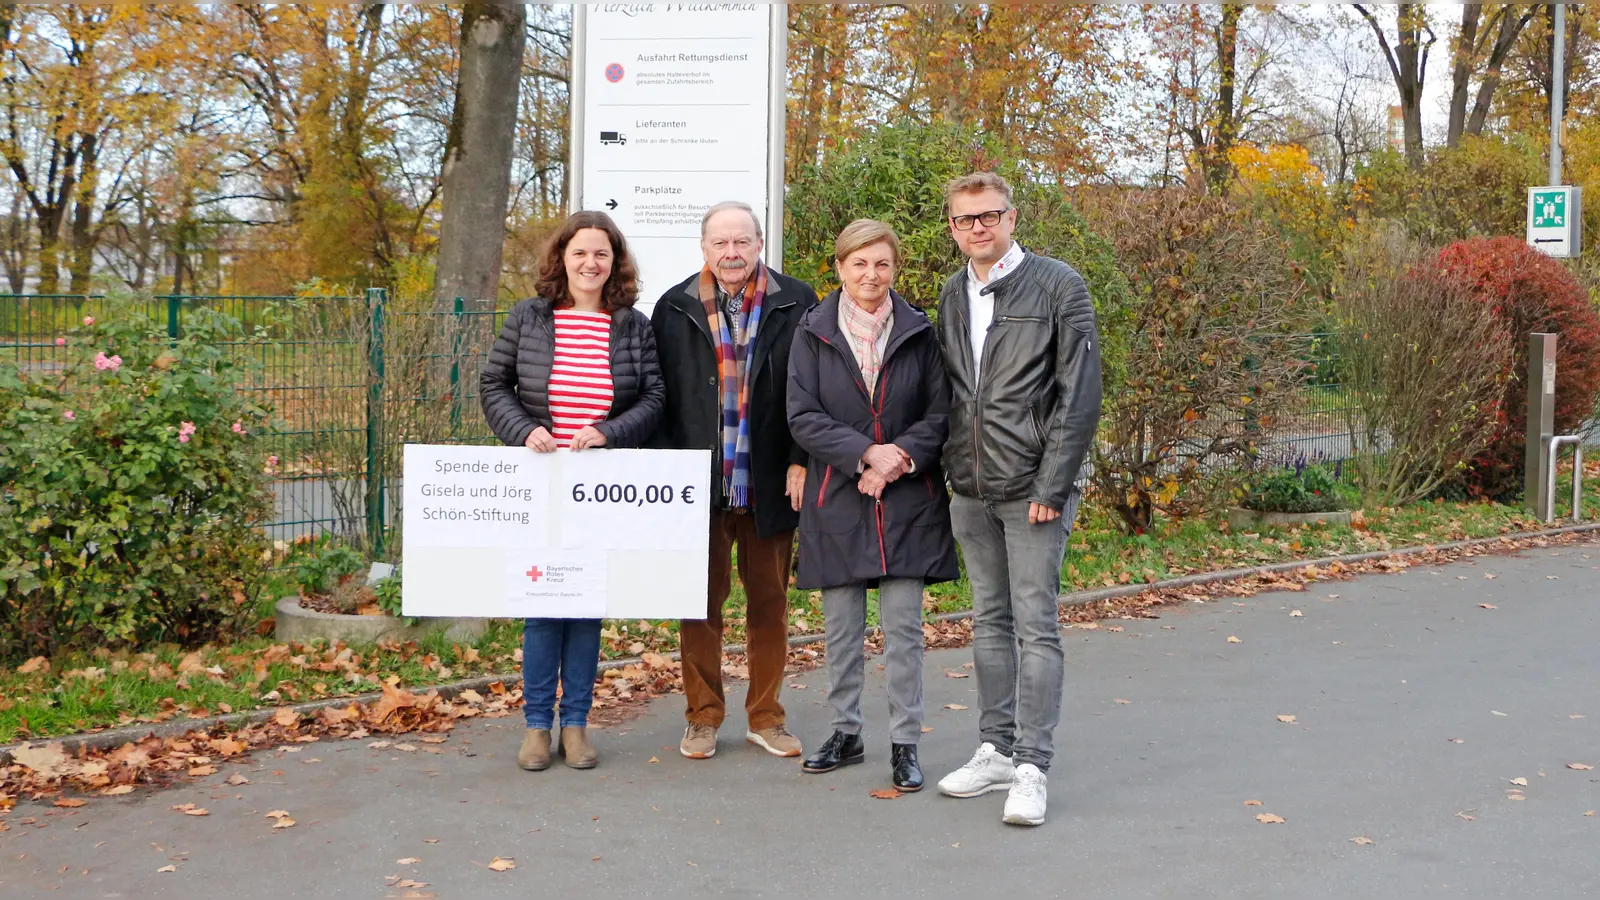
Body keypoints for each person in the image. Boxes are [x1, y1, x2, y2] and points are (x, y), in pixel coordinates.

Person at [932, 173, 1102, 826]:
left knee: (1036, 626)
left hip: (1034, 489)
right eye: (966, 219)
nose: (979, 227)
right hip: (971, 488)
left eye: (990, 215)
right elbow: (951, 390)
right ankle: (996, 749)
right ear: (952, 228)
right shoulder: (953, 293)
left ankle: (1032, 766)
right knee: (989, 622)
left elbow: (1078, 394)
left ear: (1011, 217)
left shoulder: (1059, 285)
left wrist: (1052, 485)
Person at [479, 210, 664, 773]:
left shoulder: (633, 324)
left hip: (601, 485)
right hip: (541, 482)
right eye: (580, 252)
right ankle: (537, 728)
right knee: (541, 607)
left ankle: (577, 726)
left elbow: (654, 397)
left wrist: (608, 432)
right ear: (562, 257)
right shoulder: (530, 317)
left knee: (585, 607)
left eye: (602, 254)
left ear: (615, 263)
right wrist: (523, 429)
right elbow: (494, 383)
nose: (591, 263)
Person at [787, 219, 958, 793]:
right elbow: (803, 415)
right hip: (838, 494)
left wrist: (898, 460)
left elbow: (940, 415)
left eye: (882, 263)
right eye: (859, 263)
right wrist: (864, 455)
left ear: (895, 268)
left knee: (904, 630)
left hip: (908, 498)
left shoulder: (920, 331)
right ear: (839, 268)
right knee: (840, 629)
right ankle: (846, 732)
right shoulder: (811, 331)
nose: (871, 275)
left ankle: (906, 742)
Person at [650, 200, 819, 761]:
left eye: (741, 241)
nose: (731, 252)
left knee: (769, 603)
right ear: (704, 247)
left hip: (769, 478)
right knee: (699, 603)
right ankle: (702, 717)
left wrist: (800, 457)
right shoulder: (672, 308)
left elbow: (810, 390)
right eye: (720, 243)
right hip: (698, 482)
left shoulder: (796, 302)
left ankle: (766, 717)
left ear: (759, 244)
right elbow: (661, 397)